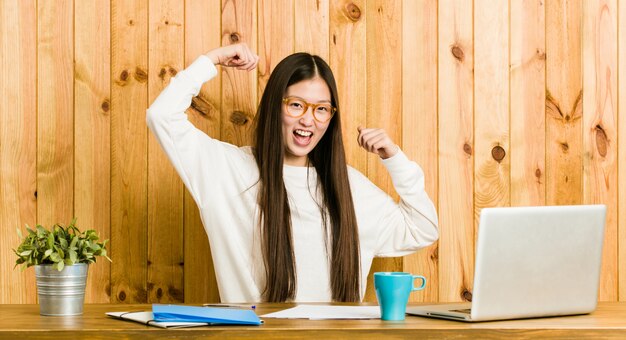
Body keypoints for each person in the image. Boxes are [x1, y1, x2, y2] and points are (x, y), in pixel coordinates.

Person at [147, 43, 438, 303]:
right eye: (296, 105)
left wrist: (394, 158)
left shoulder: (348, 187)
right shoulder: (227, 171)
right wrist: (213, 59)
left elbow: (423, 229)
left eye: (321, 109)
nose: (308, 120)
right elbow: (162, 116)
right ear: (275, 106)